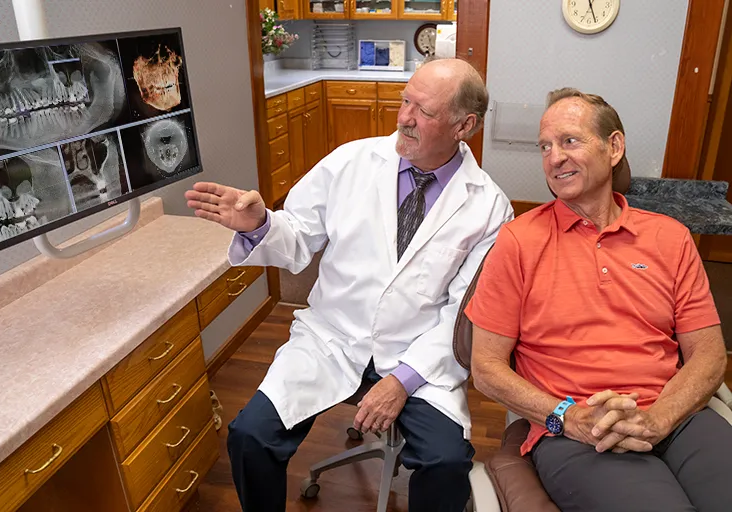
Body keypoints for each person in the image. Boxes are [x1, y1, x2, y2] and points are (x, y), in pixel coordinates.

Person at [185, 58, 513, 511]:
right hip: (331, 338)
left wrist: (402, 380)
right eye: (405, 102)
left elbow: (462, 313)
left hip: (416, 356)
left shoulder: (489, 208)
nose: (404, 118)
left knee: (446, 461)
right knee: (249, 436)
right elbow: (297, 238)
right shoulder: (351, 162)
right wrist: (260, 223)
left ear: (465, 125)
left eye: (424, 111)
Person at [466, 87, 732, 511]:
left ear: (614, 147)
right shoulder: (519, 241)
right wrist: (567, 417)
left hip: (674, 418)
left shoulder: (670, 238)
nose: (554, 158)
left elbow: (710, 355)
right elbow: (486, 368)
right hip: (577, 432)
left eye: (569, 141)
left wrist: (659, 418)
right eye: (545, 147)